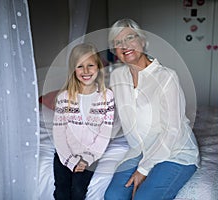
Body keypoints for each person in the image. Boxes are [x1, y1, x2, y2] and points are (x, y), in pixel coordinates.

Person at [104, 18, 200, 200]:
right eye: (118, 42)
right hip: (138, 151)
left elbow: (173, 130)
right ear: (114, 50)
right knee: (113, 196)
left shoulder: (166, 77)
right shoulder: (116, 76)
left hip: (174, 152)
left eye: (130, 38)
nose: (125, 45)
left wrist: (143, 169)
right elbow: (114, 114)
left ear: (142, 41)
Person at [52, 43, 115, 200]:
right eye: (80, 66)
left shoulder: (107, 97)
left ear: (98, 67)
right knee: (61, 192)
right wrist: (70, 161)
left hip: (89, 155)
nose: (86, 71)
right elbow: (58, 134)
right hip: (64, 154)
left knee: (79, 191)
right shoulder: (63, 98)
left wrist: (87, 159)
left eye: (90, 65)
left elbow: (104, 134)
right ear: (73, 69)